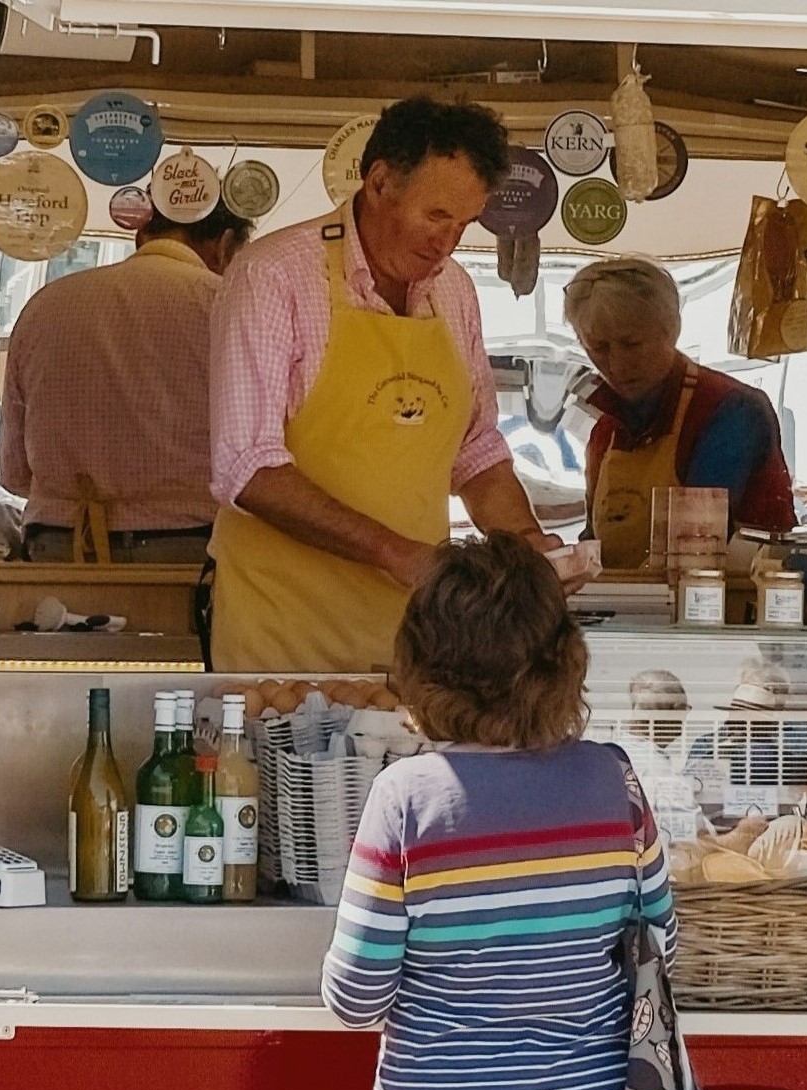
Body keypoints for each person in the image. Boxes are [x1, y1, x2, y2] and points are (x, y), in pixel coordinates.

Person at [322, 532, 674, 1090]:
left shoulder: (405, 797)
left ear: (421, 665)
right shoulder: (612, 778)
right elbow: (660, 937)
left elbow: (355, 998)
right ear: (563, 662)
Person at [209, 96, 558, 673]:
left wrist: (524, 541)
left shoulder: (455, 293)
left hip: (416, 639)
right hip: (282, 634)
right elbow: (247, 468)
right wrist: (402, 556)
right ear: (379, 183)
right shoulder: (273, 277)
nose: (446, 243)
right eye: (435, 216)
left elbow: (476, 452)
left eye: (464, 225)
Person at [0, 206, 252, 564]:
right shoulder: (226, 305)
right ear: (225, 246)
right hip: (188, 547)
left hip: (59, 547)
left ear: (140, 235)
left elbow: (13, 470)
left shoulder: (45, 305)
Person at [562, 258, 794, 567]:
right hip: (624, 609)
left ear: (672, 329)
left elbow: (693, 547)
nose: (615, 365)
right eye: (599, 348)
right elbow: (593, 541)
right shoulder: (605, 431)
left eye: (631, 345)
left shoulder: (730, 410)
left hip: (731, 608)